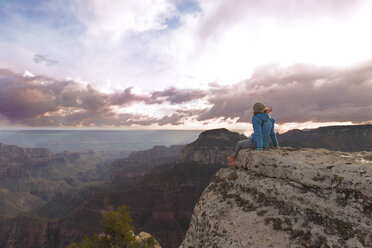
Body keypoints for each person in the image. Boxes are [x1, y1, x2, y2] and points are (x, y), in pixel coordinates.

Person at [227, 102, 280, 167]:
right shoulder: (270, 119)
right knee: (249, 139)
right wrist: (276, 145)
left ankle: (233, 159)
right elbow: (272, 134)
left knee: (239, 143)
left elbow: (258, 134)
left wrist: (259, 147)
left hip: (256, 143)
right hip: (265, 144)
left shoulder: (256, 119)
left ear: (255, 110)